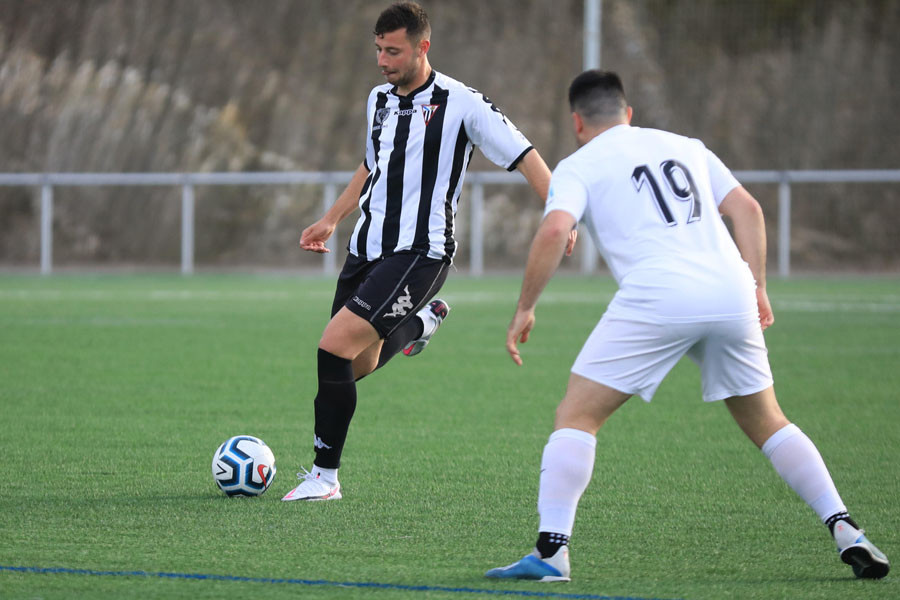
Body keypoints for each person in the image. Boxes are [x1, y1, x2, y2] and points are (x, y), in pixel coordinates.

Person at [485, 70, 890, 581]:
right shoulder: (685, 145)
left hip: (659, 292)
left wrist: (525, 305)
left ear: (577, 123)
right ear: (628, 113)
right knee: (768, 420)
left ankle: (550, 552)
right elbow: (747, 207)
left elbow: (555, 227)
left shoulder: (578, 164)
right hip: (730, 288)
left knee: (577, 416)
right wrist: (758, 284)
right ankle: (846, 528)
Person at [282, 2, 574, 502]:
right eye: (377, 49)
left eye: (393, 50)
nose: (382, 60)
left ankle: (324, 478)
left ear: (423, 47)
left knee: (331, 349)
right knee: (353, 365)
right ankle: (421, 325)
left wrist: (561, 210)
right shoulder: (377, 100)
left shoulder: (463, 103)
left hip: (420, 251)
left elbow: (526, 156)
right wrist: (333, 217)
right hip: (366, 248)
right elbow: (373, 165)